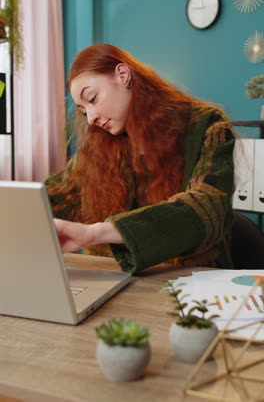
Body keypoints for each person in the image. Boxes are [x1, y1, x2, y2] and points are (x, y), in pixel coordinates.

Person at [46, 43, 235, 273]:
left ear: (123, 75)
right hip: (113, 279)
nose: (90, 119)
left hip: (190, 282)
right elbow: (56, 195)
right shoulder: (97, 147)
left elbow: (206, 206)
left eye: (92, 99)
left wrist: (95, 233)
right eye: (83, 110)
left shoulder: (206, 125)